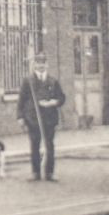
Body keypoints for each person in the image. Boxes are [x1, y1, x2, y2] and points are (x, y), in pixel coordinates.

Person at [17, 53, 66, 182]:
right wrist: (20, 117)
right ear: (34, 65)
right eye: (38, 63)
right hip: (33, 118)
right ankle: (35, 173)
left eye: (43, 63)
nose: (40, 65)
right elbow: (21, 101)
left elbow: (62, 98)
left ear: (47, 65)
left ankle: (49, 173)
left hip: (49, 118)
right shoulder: (28, 81)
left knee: (49, 145)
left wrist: (52, 103)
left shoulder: (53, 81)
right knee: (35, 145)